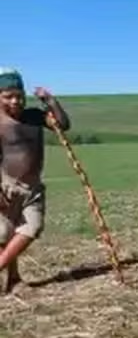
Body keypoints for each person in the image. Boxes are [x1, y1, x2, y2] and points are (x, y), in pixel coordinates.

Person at [0, 68, 70, 293]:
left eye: (19, 96)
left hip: (34, 188)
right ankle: (13, 279)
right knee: (5, 234)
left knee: (33, 227)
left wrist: (50, 101)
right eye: (8, 96)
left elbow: (62, 124)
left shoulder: (33, 116)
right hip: (6, 186)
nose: (15, 101)